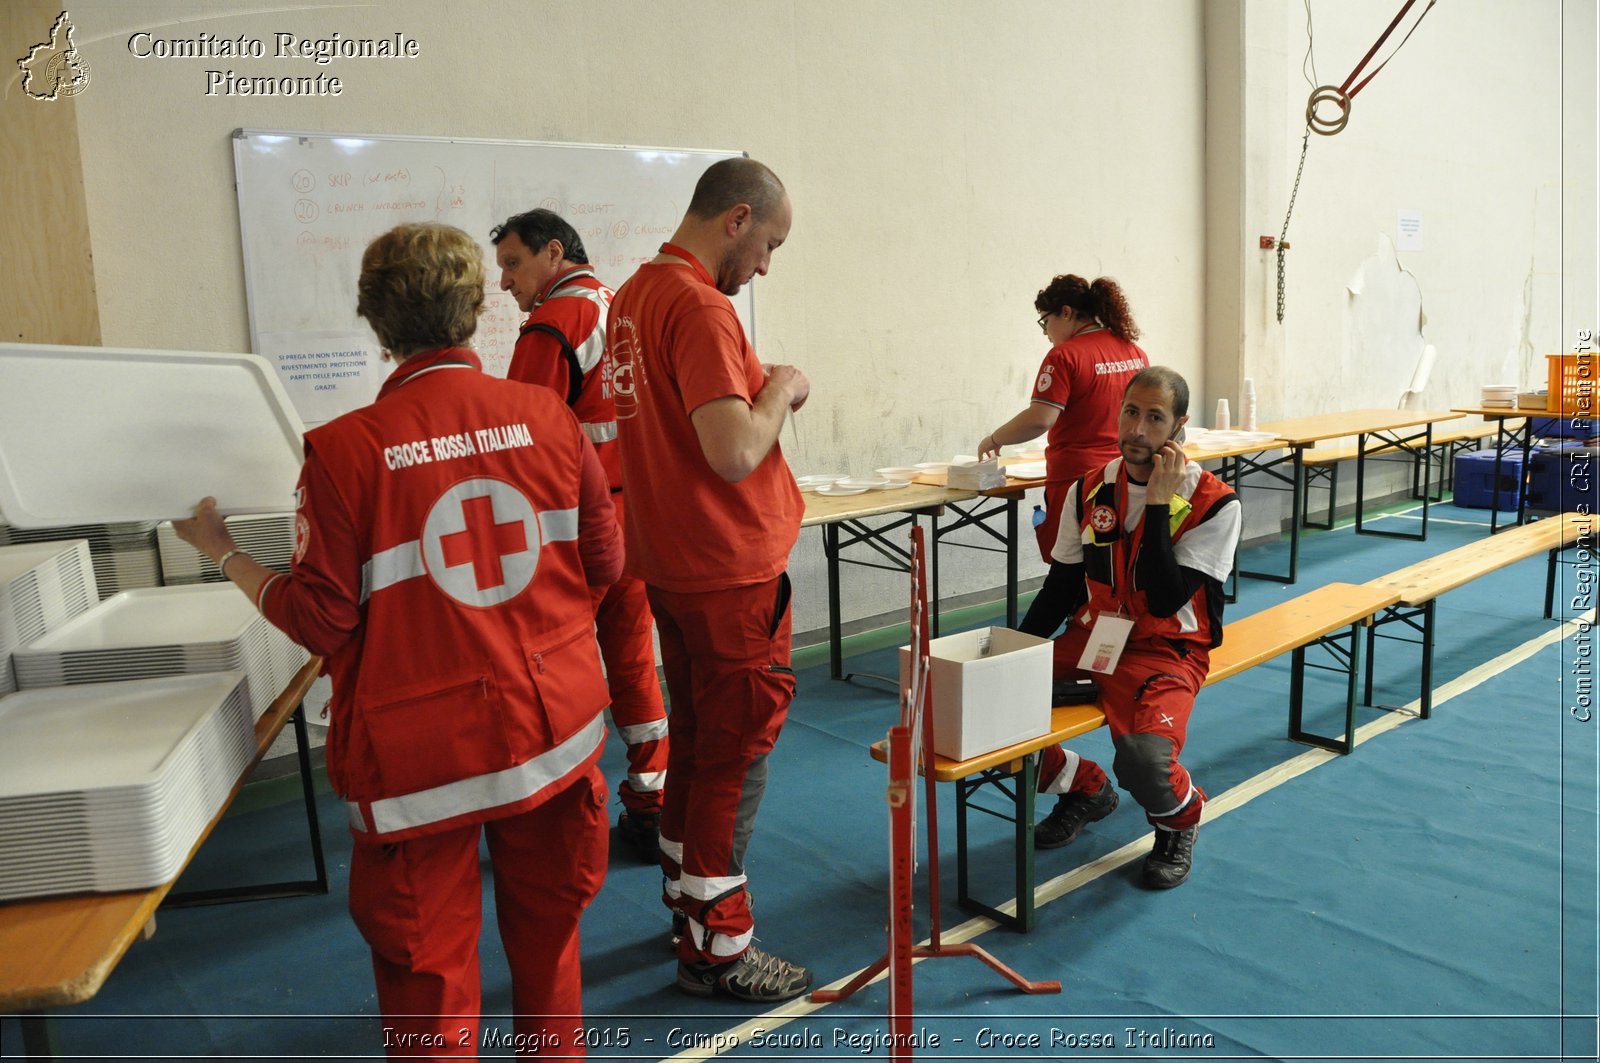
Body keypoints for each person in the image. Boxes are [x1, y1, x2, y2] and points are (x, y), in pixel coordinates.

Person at [174, 222, 621, 1057]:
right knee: (551, 943)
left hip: (420, 766)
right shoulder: (549, 420)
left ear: (376, 325)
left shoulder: (343, 455)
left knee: (427, 976)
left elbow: (321, 619)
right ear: (475, 308)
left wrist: (222, 550)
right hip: (553, 732)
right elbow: (605, 562)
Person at [606, 157, 813, 1003]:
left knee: (695, 745)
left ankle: (688, 910)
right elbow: (732, 448)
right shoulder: (695, 304)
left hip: (673, 561)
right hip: (727, 567)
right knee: (733, 752)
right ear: (736, 218)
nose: (765, 264)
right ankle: (719, 948)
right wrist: (782, 387)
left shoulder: (633, 296)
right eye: (768, 243)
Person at [491, 208, 670, 864]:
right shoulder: (627, 308)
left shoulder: (553, 324)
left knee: (550, 668)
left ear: (554, 252)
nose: (505, 282)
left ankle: (553, 816)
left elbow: (521, 444)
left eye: (513, 263)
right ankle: (651, 799)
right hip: (638, 522)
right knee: (633, 661)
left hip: (576, 529)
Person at [1022, 366, 1240, 890]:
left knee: (1144, 760)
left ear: (1179, 426)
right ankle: (1084, 787)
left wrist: (1160, 505)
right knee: (987, 704)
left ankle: (1178, 820)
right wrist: (1012, 654)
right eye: (1131, 412)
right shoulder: (1090, 488)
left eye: (1155, 418)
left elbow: (1165, 596)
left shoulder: (1214, 502)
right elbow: (1063, 585)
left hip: (1167, 648)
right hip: (1095, 634)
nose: (1138, 430)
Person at [977, 275, 1149, 600]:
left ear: (1066, 313)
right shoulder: (1133, 351)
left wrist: (994, 438)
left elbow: (1040, 419)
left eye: (1046, 322)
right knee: (1116, 567)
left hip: (1077, 482)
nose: (1046, 333)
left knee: (1072, 573)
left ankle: (1075, 634)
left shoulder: (1065, 357)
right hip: (1126, 476)